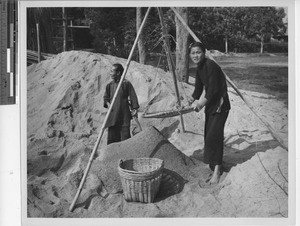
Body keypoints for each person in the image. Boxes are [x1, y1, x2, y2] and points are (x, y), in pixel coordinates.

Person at [187, 42, 230, 184]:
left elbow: (213, 90)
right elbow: (198, 89)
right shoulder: (199, 68)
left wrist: (199, 104)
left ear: (204, 52)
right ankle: (214, 164)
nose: (195, 55)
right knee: (208, 135)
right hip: (211, 106)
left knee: (214, 136)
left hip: (220, 106)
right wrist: (189, 101)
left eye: (198, 52)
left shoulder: (211, 66)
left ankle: (217, 172)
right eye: (193, 53)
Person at [103, 63, 139, 145]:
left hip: (124, 115)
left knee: (125, 139)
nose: (110, 73)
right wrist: (109, 105)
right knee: (112, 139)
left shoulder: (126, 84)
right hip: (113, 116)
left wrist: (135, 109)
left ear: (118, 73)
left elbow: (133, 96)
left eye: (112, 71)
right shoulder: (109, 85)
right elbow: (105, 98)